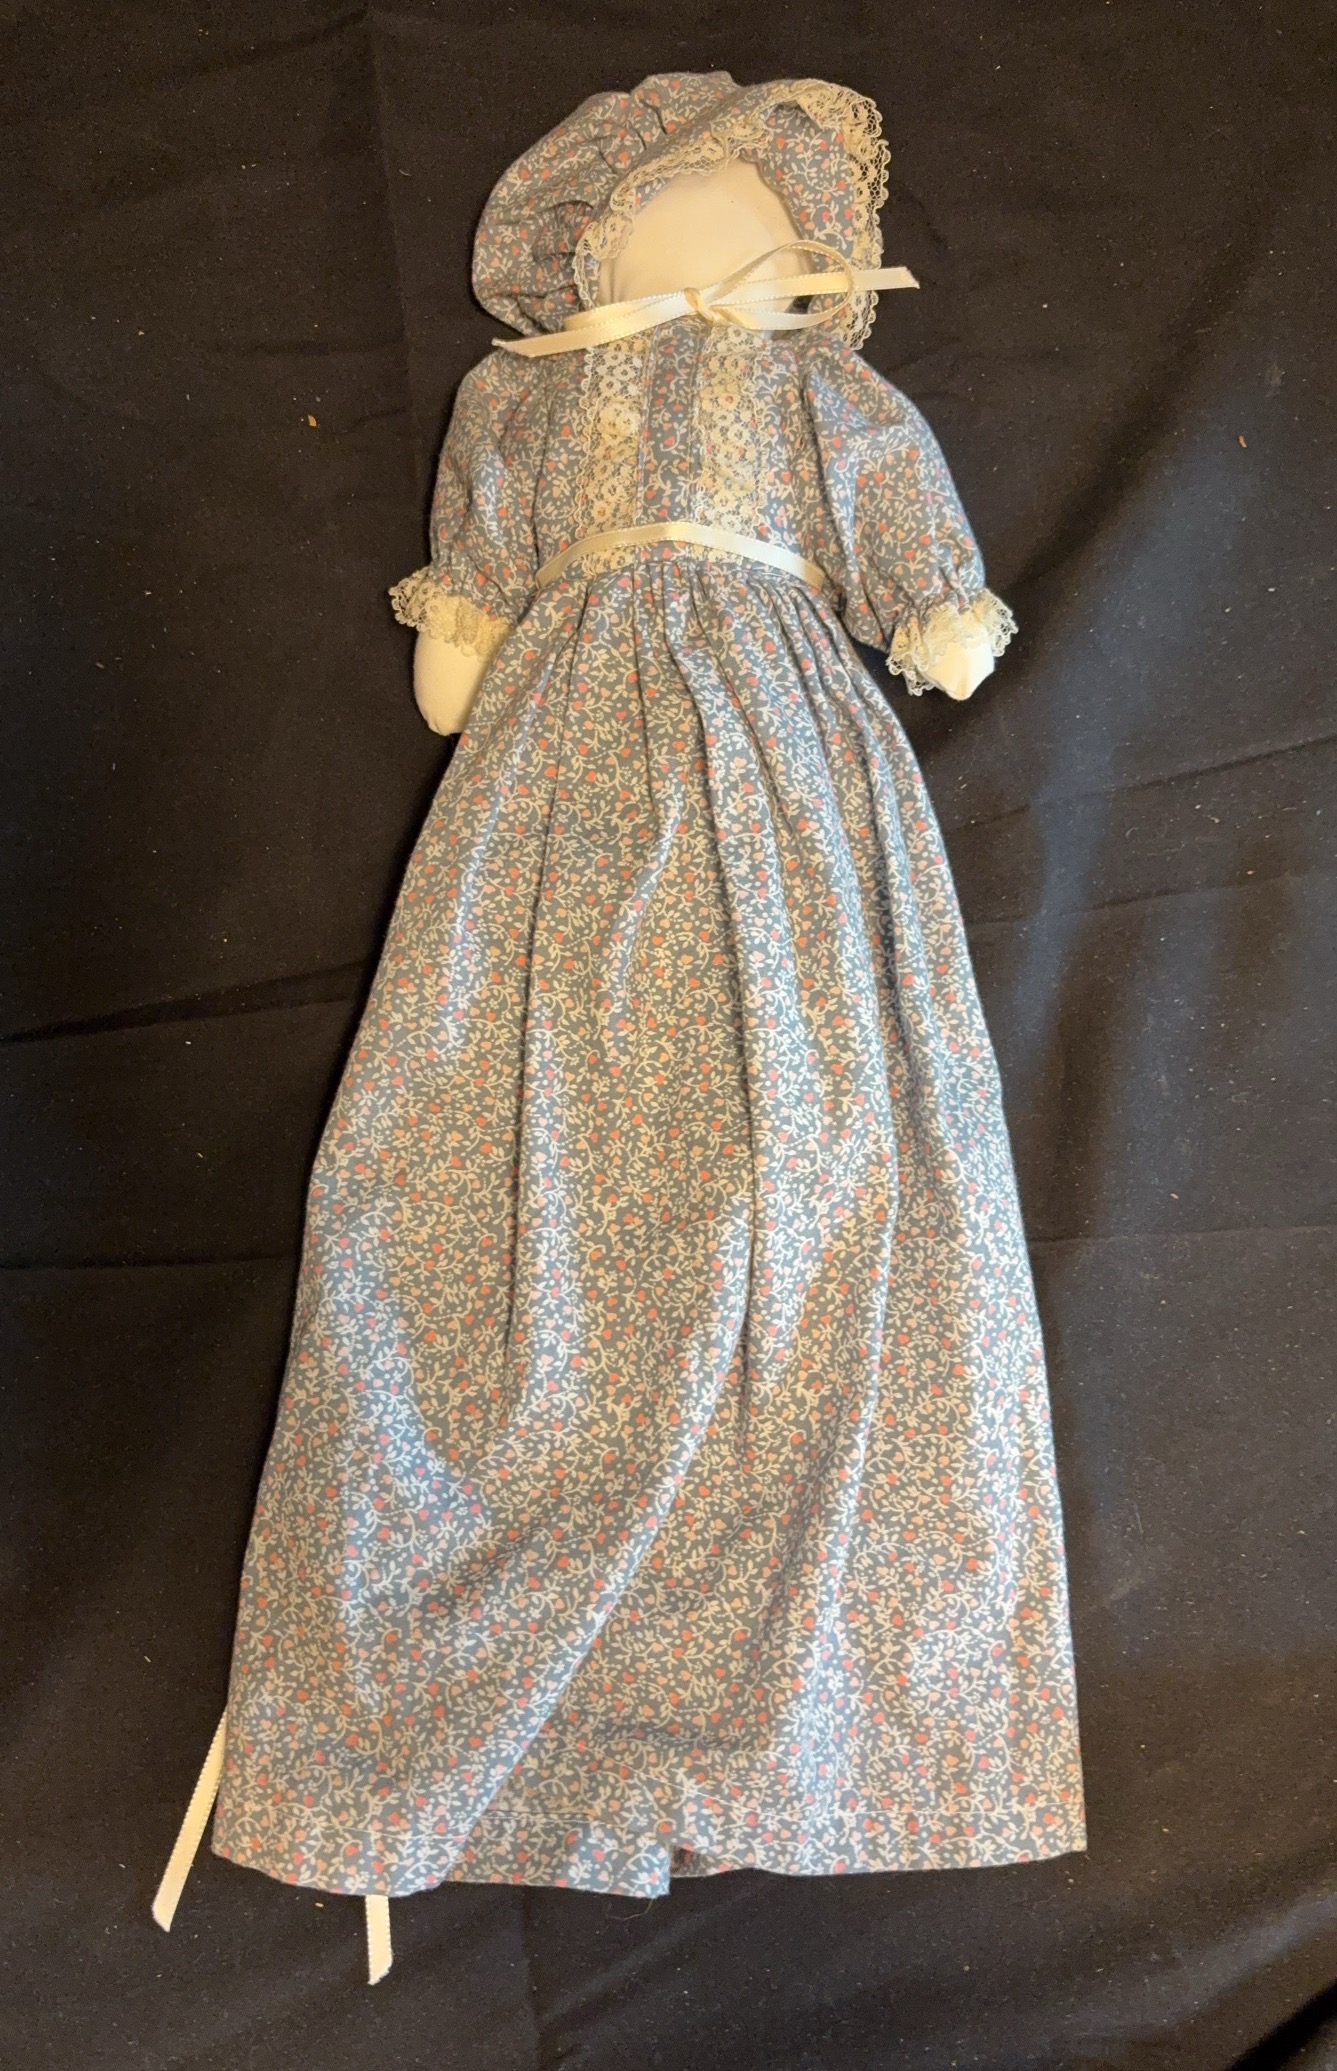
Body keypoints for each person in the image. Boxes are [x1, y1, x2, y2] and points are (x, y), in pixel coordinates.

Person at [153, 72, 1085, 1986]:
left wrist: (933, 608)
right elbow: (474, 598)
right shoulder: (520, 394)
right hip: (554, 769)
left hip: (788, 752)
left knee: (820, 1155)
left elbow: (908, 546)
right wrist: (465, 623)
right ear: (578, 232)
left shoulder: (818, 388)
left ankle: (811, 1710)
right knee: (488, 1136)